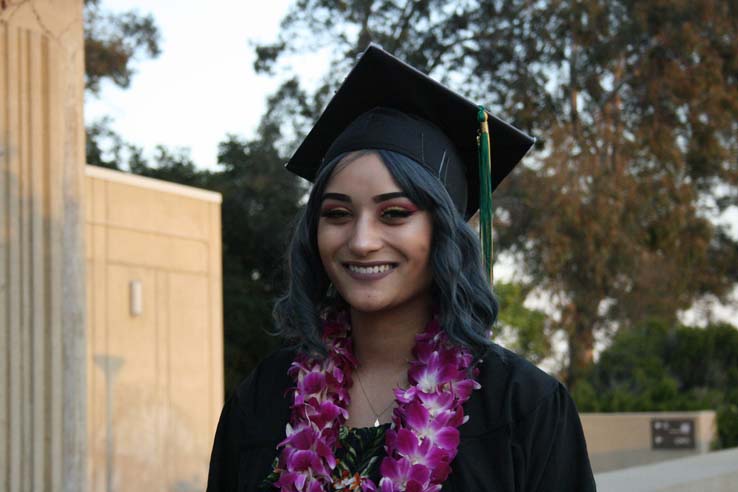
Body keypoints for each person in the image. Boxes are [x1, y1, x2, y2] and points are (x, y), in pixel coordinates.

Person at [207, 44, 596, 492]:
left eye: (394, 214)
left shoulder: (521, 404)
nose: (362, 240)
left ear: (443, 232)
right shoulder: (264, 397)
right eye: (337, 214)